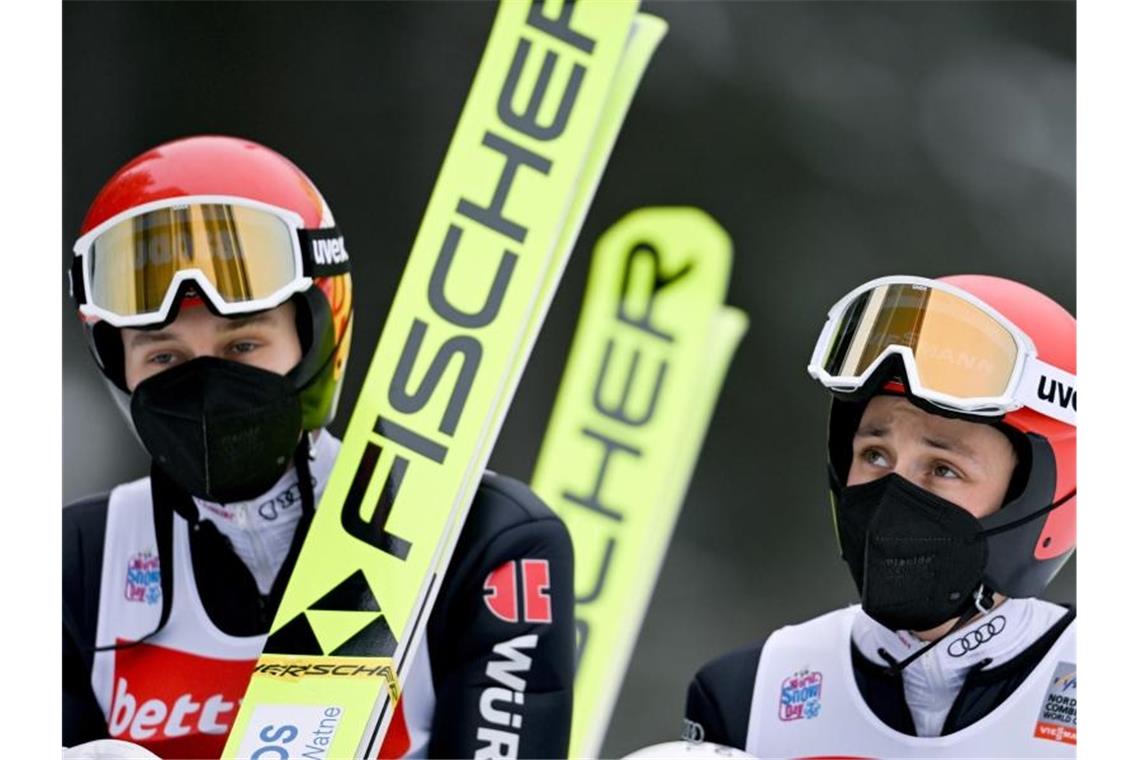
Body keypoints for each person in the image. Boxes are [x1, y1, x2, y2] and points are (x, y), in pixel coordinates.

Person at [62, 135, 575, 759]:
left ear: (315, 340)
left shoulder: (479, 540)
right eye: (164, 357)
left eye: (243, 347)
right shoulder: (76, 565)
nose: (205, 389)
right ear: (120, 370)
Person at [683, 274, 1076, 757]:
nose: (895, 496)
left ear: (1041, 498)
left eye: (943, 468)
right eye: (875, 455)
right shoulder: (749, 694)